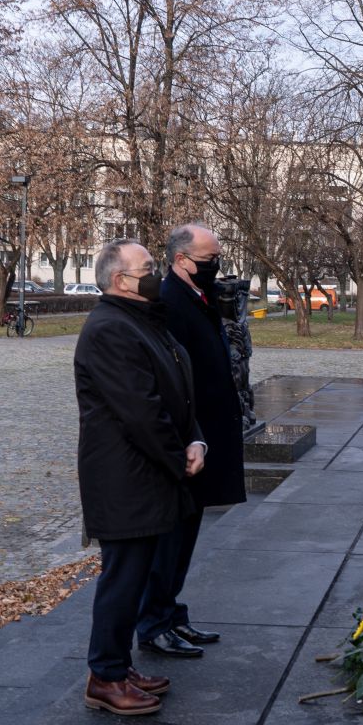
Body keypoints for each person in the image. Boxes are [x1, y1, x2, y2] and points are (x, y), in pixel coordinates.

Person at [75, 239, 206, 715]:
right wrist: (179, 456)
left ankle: (116, 664)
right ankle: (104, 677)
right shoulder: (110, 329)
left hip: (147, 474)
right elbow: (141, 412)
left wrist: (196, 439)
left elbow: (177, 392)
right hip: (123, 478)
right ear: (119, 281)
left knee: (134, 577)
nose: (155, 273)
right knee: (123, 578)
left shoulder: (143, 319)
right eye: (146, 267)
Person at [136, 224, 246, 658]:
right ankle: (154, 624)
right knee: (169, 540)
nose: (214, 266)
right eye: (207, 260)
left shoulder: (197, 296)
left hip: (206, 437)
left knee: (186, 536)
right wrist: (187, 440)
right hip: (187, 444)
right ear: (181, 261)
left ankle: (170, 613)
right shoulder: (168, 301)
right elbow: (168, 379)